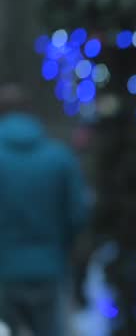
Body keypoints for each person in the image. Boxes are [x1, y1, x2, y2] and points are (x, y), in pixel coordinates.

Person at [0, 83, 89, 336]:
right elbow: (78, 214)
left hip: (4, 272)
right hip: (50, 267)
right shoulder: (59, 156)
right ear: (31, 113)